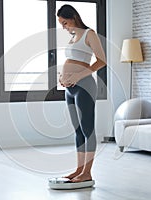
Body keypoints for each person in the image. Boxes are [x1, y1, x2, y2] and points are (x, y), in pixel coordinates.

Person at [57, 4, 106, 183]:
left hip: (84, 86)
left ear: (73, 17)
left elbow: (101, 61)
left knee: (87, 130)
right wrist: (63, 77)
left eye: (64, 22)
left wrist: (77, 75)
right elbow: (72, 60)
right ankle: (78, 170)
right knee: (77, 130)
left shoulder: (88, 34)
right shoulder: (73, 37)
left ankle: (87, 173)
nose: (63, 26)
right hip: (69, 89)